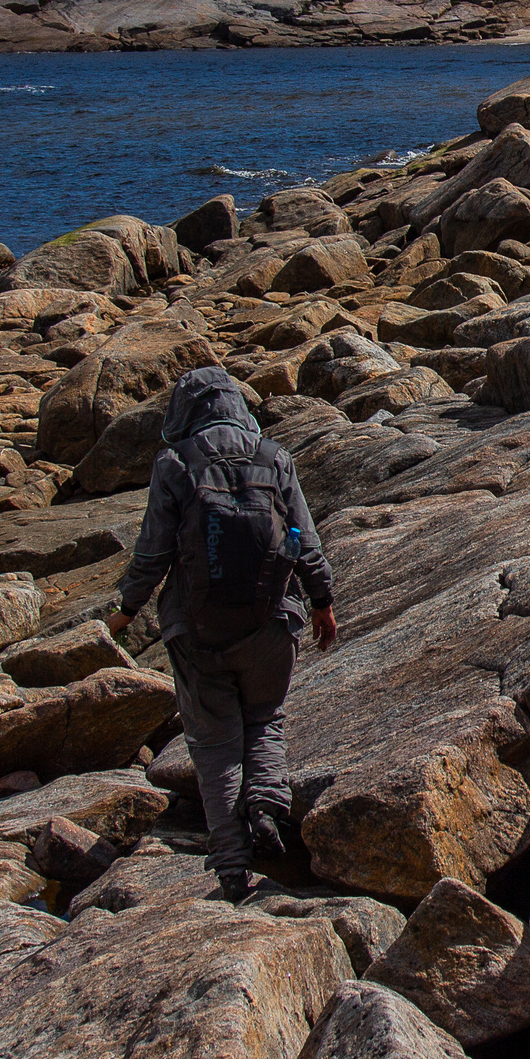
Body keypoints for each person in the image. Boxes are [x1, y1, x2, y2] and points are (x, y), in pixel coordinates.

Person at [109, 366, 337, 901]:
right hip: (272, 621)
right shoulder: (275, 457)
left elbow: (154, 552)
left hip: (198, 631)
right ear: (237, 405)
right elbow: (304, 538)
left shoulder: (173, 463)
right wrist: (322, 601)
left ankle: (233, 868)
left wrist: (126, 609)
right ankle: (266, 805)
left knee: (215, 749)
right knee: (265, 719)